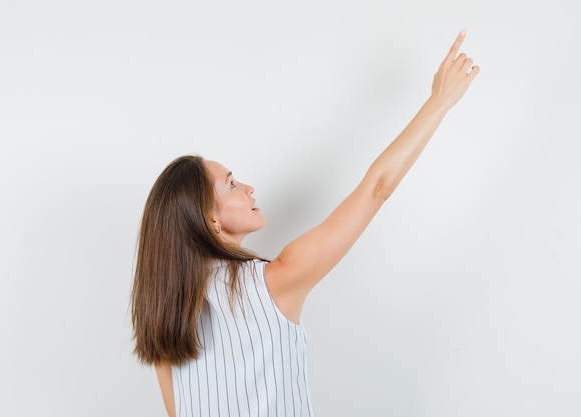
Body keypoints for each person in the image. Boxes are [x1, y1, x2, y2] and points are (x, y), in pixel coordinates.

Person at [131, 30, 479, 417]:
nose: (248, 188)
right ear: (208, 218)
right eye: (231, 184)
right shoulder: (274, 282)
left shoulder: (163, 322)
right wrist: (439, 102)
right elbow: (376, 189)